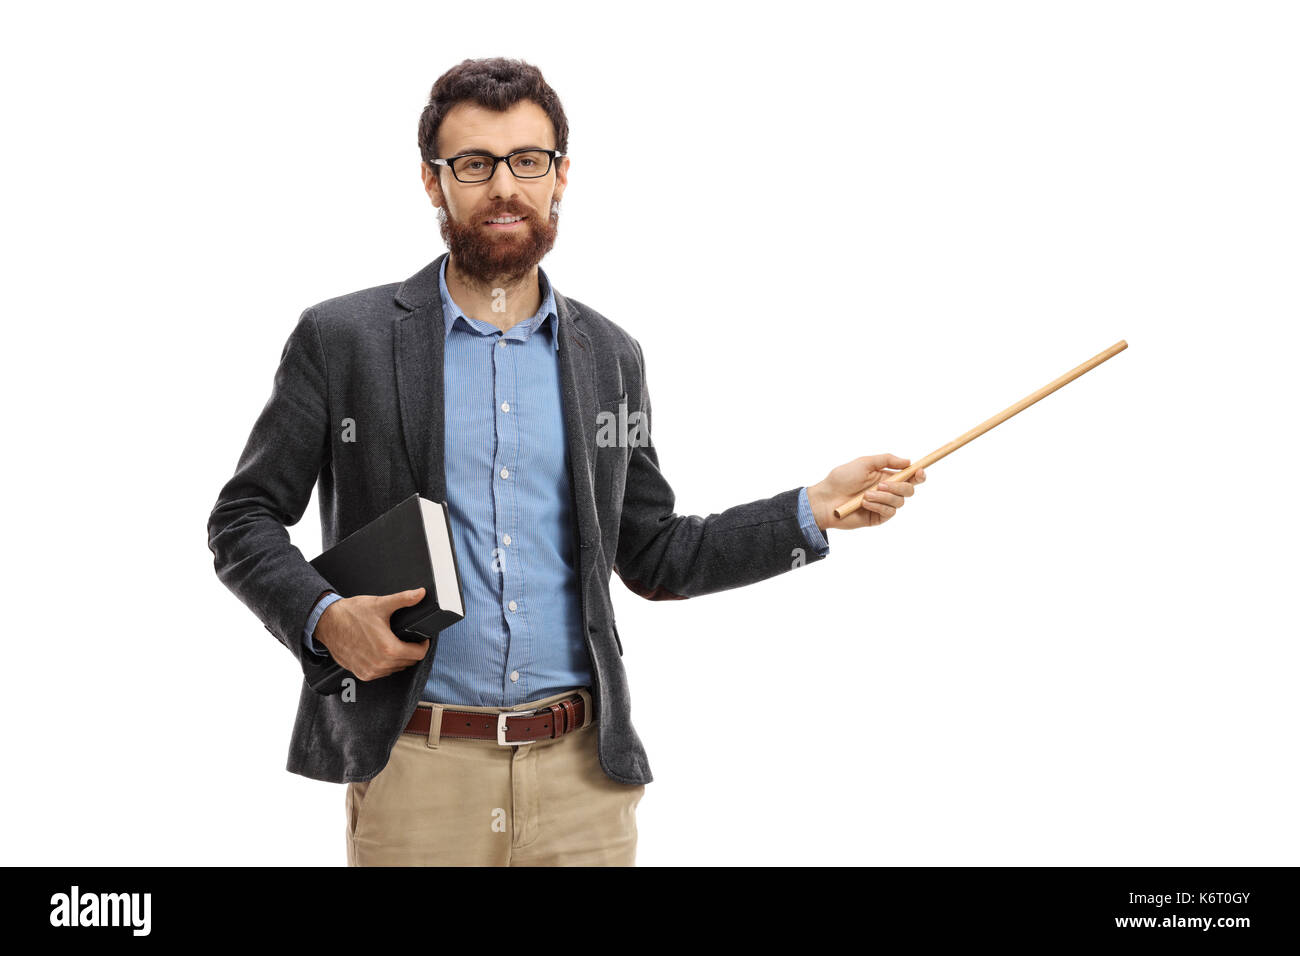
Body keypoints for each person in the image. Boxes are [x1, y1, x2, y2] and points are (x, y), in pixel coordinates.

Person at [207, 56, 926, 867]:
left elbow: (655, 554)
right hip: (418, 772)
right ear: (431, 181)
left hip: (585, 781)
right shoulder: (346, 340)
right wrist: (326, 620)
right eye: (474, 164)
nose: (503, 186)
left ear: (561, 176)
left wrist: (810, 509)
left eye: (528, 161)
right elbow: (243, 521)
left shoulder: (609, 356)